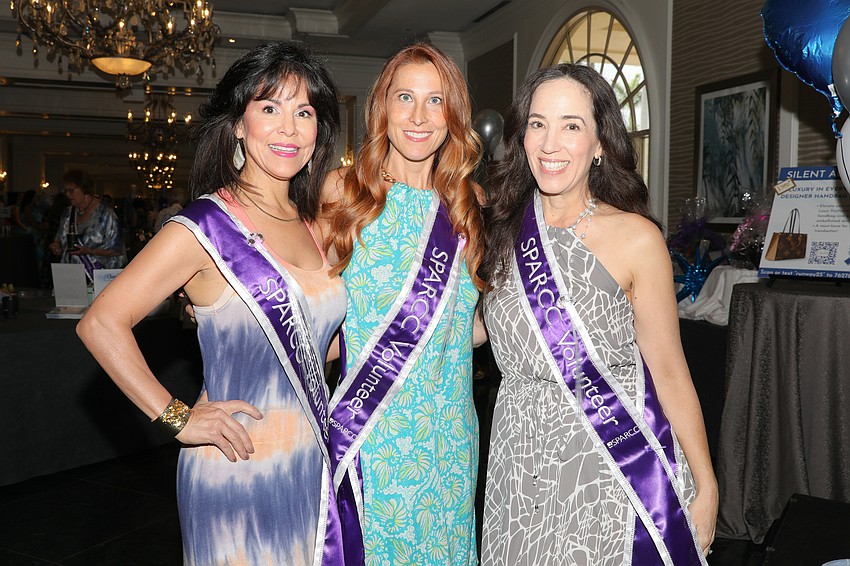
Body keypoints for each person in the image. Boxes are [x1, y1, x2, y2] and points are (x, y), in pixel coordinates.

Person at [76, 41, 345, 565]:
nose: (288, 128)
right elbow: (101, 322)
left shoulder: (315, 227)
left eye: (304, 112)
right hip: (237, 470)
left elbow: (316, 348)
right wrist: (177, 417)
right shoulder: (204, 226)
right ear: (239, 125)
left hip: (310, 463)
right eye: (269, 109)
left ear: (319, 131)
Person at [478, 64, 717, 565]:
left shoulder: (636, 238)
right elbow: (467, 330)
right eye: (538, 123)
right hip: (518, 459)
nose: (550, 143)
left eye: (571, 125)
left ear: (600, 143)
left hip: (606, 462)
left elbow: (670, 372)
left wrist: (706, 481)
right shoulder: (501, 229)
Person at [322, 42, 485, 565]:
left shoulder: (470, 203)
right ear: (382, 107)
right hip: (371, 434)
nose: (419, 117)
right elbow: (307, 313)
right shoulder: (343, 193)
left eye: (435, 101)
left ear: (453, 114)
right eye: (405, 98)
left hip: (450, 437)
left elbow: (468, 325)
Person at [48, 169, 126, 279]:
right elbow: (60, 239)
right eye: (65, 191)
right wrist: (57, 246)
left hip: (98, 277)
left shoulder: (105, 214)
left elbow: (117, 250)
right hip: (70, 276)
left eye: (71, 190)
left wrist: (90, 251)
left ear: (84, 189)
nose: (67, 194)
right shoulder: (67, 213)